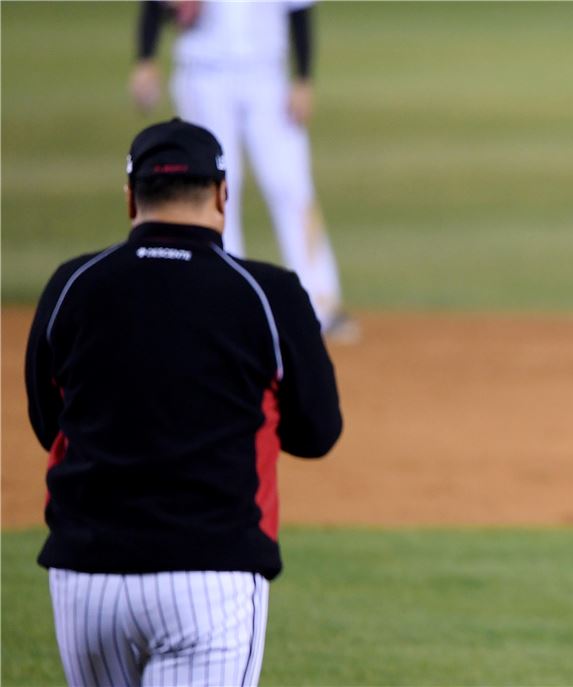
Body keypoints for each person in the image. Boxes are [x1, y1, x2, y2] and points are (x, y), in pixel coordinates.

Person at [25, 118, 343, 686]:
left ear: (131, 198)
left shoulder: (72, 284)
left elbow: (49, 421)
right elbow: (317, 432)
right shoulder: (268, 293)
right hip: (209, 576)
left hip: (85, 580)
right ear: (222, 195)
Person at [130, 0, 359, 340]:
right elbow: (158, 4)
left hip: (268, 77)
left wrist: (303, 79)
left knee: (291, 185)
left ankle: (320, 303)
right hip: (202, 74)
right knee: (215, 190)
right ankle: (226, 304)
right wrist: (146, 58)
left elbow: (299, 9)